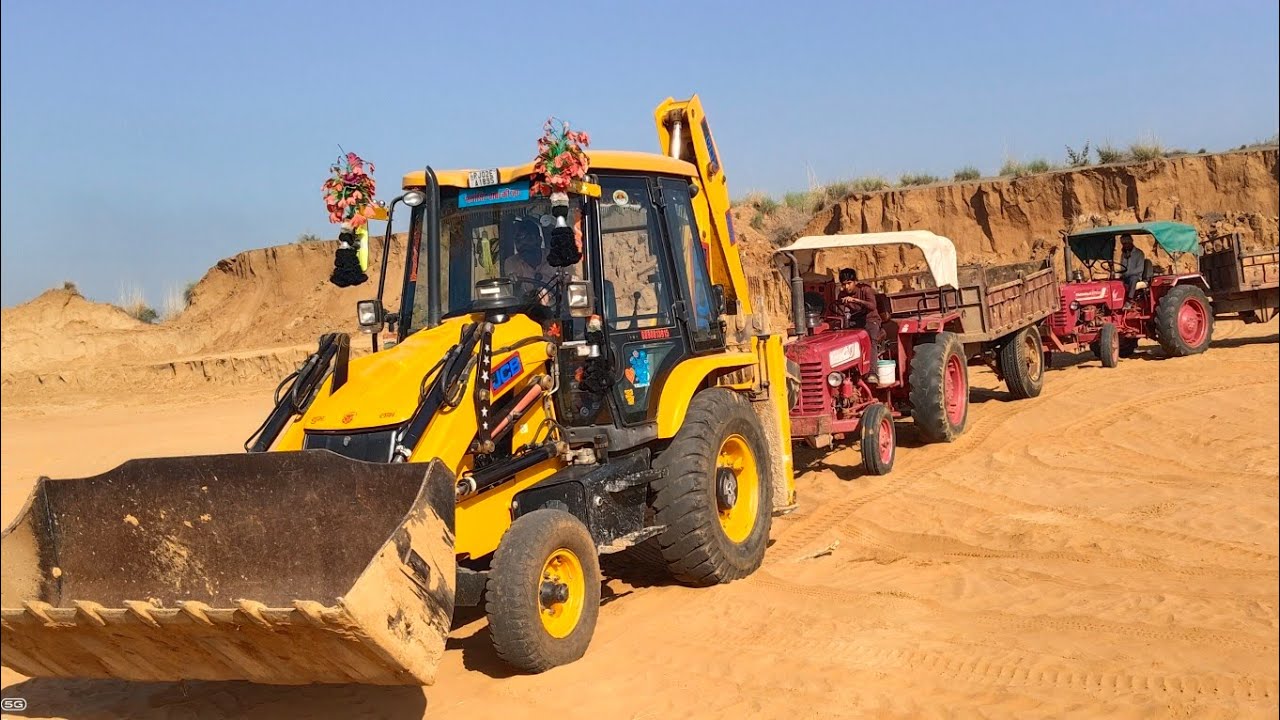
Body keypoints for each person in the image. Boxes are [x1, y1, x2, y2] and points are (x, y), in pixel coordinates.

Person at [836, 267, 884, 353]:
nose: (846, 287)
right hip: (855, 321)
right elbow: (840, 312)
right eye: (844, 284)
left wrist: (855, 300)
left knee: (870, 341)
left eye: (849, 283)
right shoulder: (842, 294)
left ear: (855, 282)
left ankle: (872, 367)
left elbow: (872, 306)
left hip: (871, 320)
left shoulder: (866, 290)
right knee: (844, 341)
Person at [1119, 234, 1146, 301]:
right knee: (1115, 281)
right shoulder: (1123, 254)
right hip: (1125, 277)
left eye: (1126, 243)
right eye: (1123, 244)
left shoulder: (1139, 253)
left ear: (1131, 242)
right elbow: (1122, 267)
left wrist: (1128, 273)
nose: (1125, 245)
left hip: (1136, 277)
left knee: (1133, 279)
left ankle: (1130, 299)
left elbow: (1140, 269)